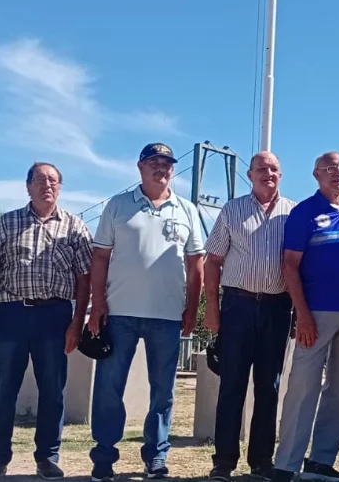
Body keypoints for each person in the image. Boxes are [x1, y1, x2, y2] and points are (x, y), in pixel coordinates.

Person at [87, 143, 205, 482]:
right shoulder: (118, 205)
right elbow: (100, 257)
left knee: (163, 392)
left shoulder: (187, 210)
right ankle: (104, 457)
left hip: (167, 315)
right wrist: (98, 304)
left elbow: (196, 264)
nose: (161, 168)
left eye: (167, 163)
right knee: (109, 387)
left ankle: (156, 457)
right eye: (154, 162)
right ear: (140, 167)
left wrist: (192, 309)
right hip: (119, 312)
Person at [0, 162, 93, 481]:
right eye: (39, 179)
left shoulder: (75, 227)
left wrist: (78, 321)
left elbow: (85, 278)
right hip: (12, 315)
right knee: (3, 392)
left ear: (60, 187)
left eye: (53, 180)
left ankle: (48, 458)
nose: (46, 185)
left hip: (56, 317)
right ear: (28, 186)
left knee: (53, 391)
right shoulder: (7, 222)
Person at [271, 152, 339, 482]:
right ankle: (286, 464)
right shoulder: (305, 212)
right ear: (316, 174)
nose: (337, 173)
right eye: (329, 168)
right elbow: (289, 266)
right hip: (315, 313)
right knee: (303, 387)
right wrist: (303, 315)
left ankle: (321, 461)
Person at [204, 151, 296, 482]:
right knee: (232, 384)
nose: (268, 173)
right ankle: (223, 461)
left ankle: (261, 461)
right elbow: (213, 261)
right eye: (261, 169)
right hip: (238, 307)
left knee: (269, 386)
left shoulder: (293, 212)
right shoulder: (232, 210)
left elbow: (299, 265)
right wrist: (212, 308)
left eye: (274, 168)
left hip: (277, 307)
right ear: (250, 174)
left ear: (280, 174)